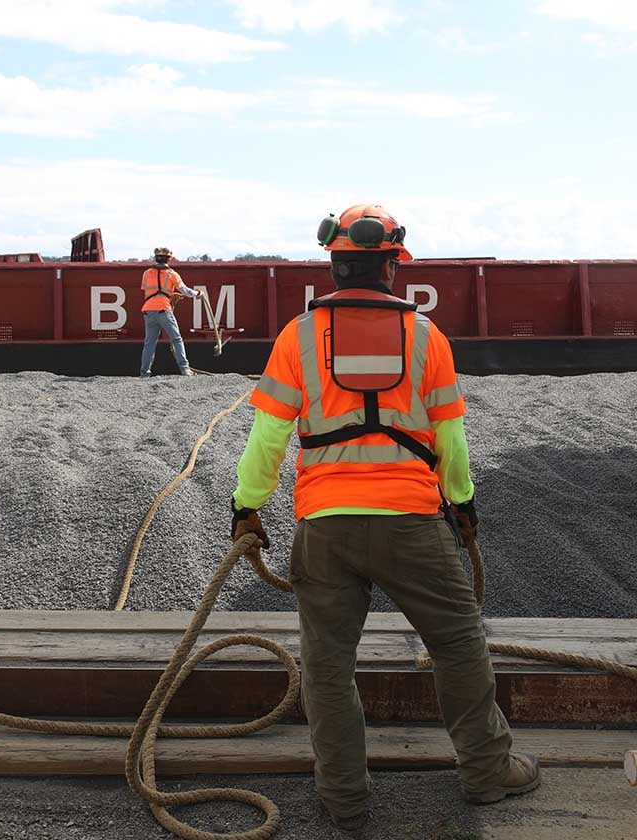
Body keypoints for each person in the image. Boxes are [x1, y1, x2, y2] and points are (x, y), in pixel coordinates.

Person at [229, 204, 540, 836]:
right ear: (392, 268)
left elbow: (267, 438)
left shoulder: (298, 336)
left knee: (326, 665)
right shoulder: (428, 338)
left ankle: (344, 799)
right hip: (411, 521)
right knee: (457, 644)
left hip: (326, 524)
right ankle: (486, 772)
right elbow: (450, 439)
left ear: (336, 267)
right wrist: (463, 502)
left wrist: (247, 506)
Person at [140, 246, 202, 378]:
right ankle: (185, 369)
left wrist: (167, 293)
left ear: (155, 258)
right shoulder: (172, 274)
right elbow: (185, 291)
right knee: (176, 339)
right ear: (169, 259)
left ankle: (144, 373)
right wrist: (198, 294)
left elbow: (149, 290)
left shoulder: (146, 273)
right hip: (164, 310)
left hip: (148, 310)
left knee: (149, 343)